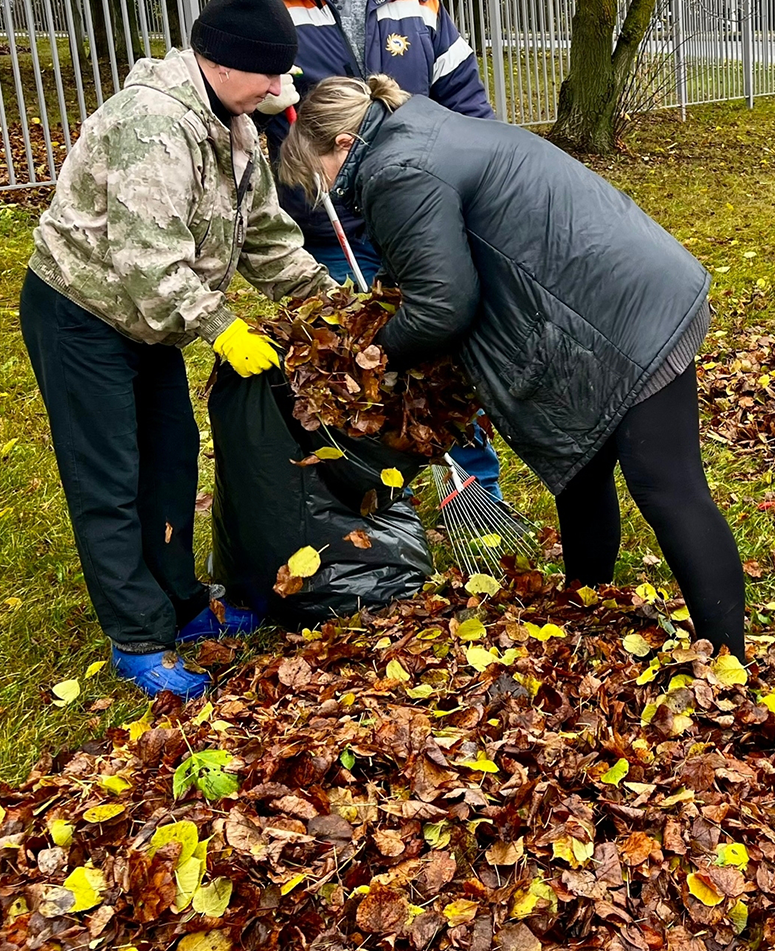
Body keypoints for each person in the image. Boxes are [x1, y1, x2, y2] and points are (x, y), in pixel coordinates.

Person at [278, 75, 746, 657]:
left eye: (316, 169)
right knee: (582, 469)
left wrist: (384, 348)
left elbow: (444, 303)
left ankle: (730, 663)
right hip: (607, 294)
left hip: (625, 312)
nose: (320, 186)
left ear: (344, 144)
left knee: (666, 487)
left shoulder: (395, 169)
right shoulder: (418, 131)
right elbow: (441, 251)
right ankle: (587, 600)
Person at [20, 0, 336, 699]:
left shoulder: (237, 127)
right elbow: (146, 260)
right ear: (220, 60)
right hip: (83, 312)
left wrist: (330, 303)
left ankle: (184, 603)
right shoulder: (153, 125)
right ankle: (137, 634)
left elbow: (265, 238)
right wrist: (222, 328)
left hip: (147, 321)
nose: (278, 86)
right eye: (269, 70)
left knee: (170, 458)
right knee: (110, 476)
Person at [247, 0, 501, 498]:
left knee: (442, 344)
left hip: (417, 208)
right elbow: (228, 95)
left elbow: (462, 95)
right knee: (349, 358)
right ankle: (371, 490)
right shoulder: (261, 0)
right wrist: (262, 98)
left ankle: (471, 484)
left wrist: (479, 179)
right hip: (324, 223)